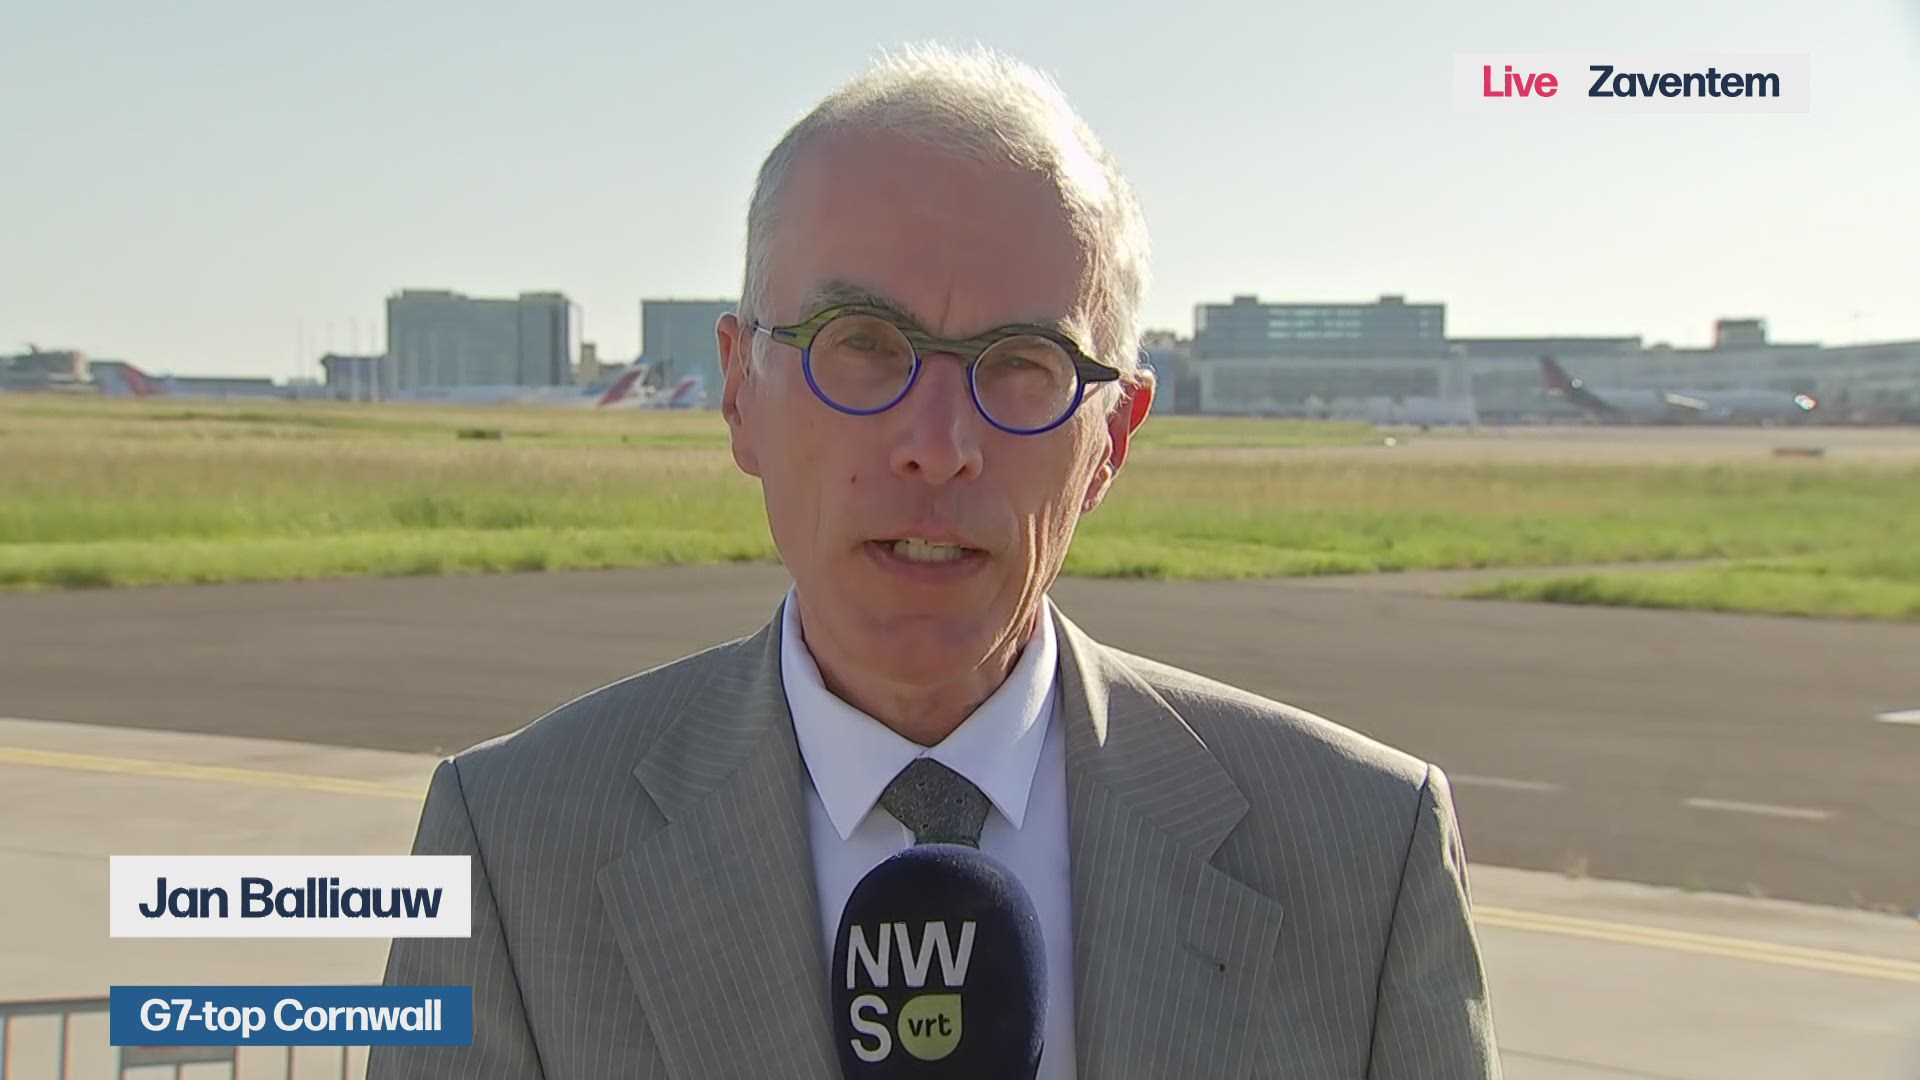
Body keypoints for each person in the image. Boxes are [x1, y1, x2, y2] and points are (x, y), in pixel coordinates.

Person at [373, 43, 1500, 1079]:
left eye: (1023, 362)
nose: (938, 445)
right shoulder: (512, 852)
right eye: (863, 345)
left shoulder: (1366, 853)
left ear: (1111, 441)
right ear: (739, 391)